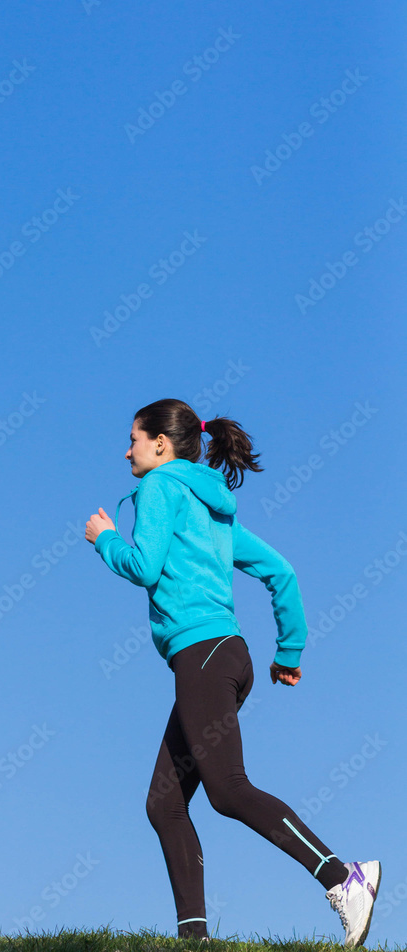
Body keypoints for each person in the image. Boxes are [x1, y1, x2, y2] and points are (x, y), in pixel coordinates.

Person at [85, 399, 381, 947]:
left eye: (133, 438)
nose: (126, 450)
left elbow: (143, 565)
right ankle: (193, 939)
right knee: (165, 803)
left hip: (201, 654)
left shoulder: (160, 488)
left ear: (161, 444)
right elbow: (281, 572)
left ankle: (344, 877)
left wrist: (105, 539)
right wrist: (288, 654)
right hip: (228, 657)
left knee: (227, 790)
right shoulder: (213, 509)